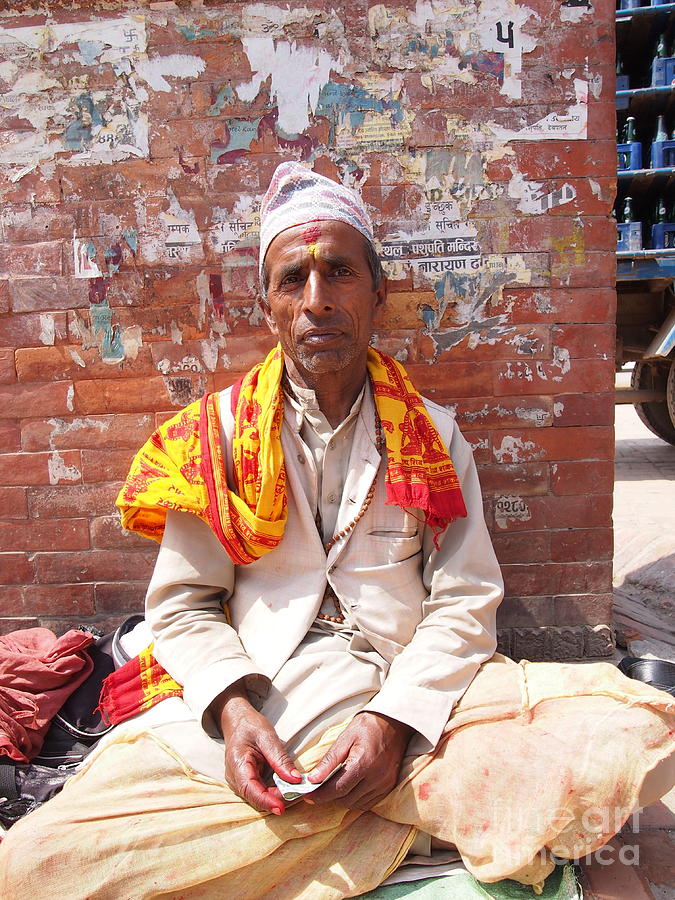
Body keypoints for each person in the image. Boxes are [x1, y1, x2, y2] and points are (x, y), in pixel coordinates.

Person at [1, 163, 673, 900]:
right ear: (268, 308)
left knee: (632, 733)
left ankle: (317, 840)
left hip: (406, 695)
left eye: (339, 273)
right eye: (293, 280)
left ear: (375, 292)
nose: (317, 302)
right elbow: (183, 606)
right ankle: (391, 839)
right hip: (259, 697)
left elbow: (464, 601)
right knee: (33, 866)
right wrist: (229, 710)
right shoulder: (213, 439)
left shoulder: (431, 436)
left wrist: (393, 721)